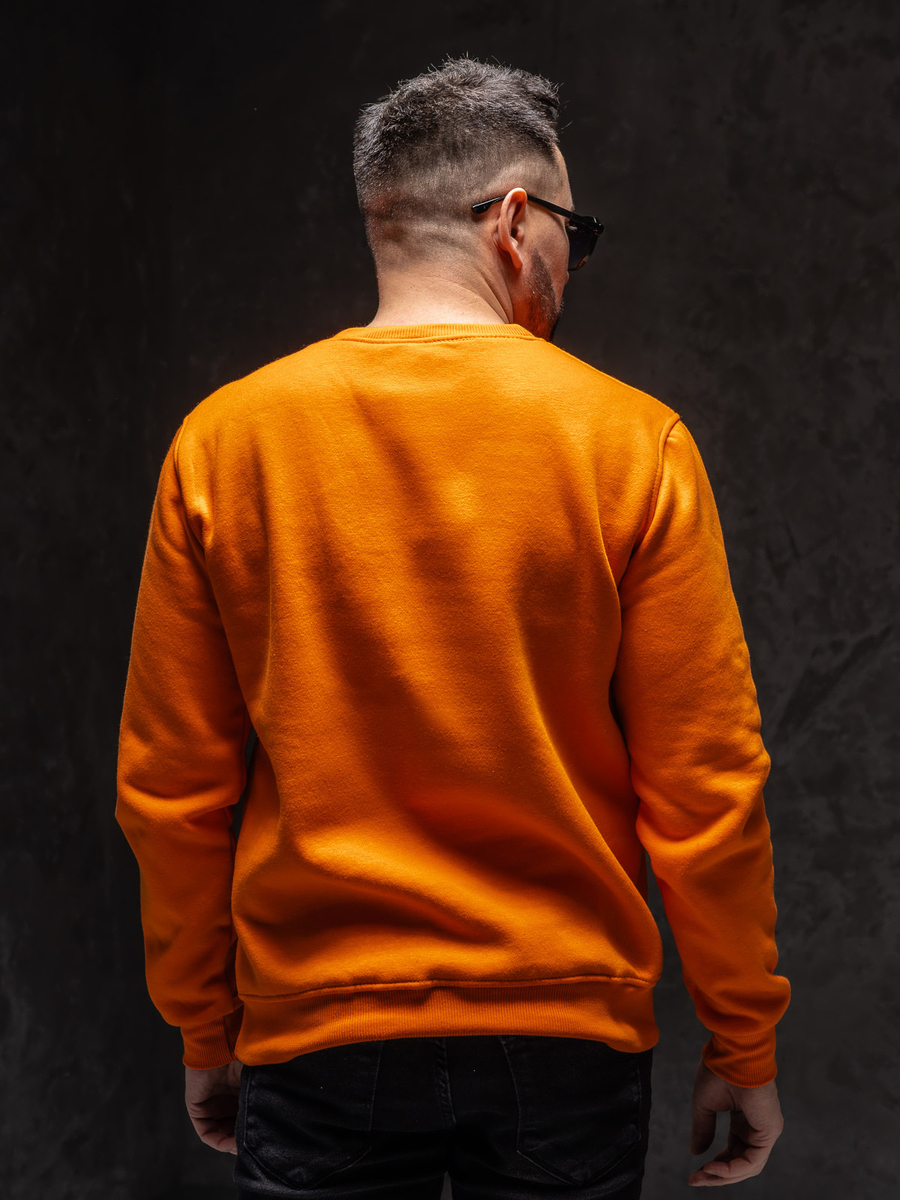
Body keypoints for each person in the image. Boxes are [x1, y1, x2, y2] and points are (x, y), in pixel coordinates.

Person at [115, 55, 791, 1198]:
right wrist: (744, 1041)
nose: (575, 264)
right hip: (564, 1031)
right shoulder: (635, 445)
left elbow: (171, 790)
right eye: (575, 232)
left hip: (316, 1027)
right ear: (516, 223)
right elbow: (707, 788)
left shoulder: (225, 445)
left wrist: (204, 1023)